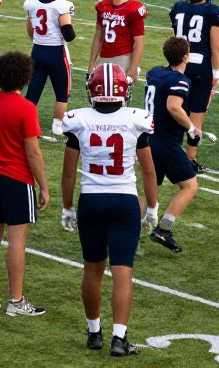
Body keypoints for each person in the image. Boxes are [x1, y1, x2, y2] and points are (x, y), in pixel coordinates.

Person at [61, 63, 158, 356]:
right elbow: (149, 172)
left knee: (92, 268)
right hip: (123, 200)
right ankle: (119, 338)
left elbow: (68, 173)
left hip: (91, 199)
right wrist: (152, 207)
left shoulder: (78, 120)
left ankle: (94, 333)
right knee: (122, 271)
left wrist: (67, 207)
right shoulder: (136, 119)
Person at [0, 51, 49, 317]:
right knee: (17, 240)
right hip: (17, 178)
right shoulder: (26, 108)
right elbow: (33, 152)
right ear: (25, 77)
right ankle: (16, 301)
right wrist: (43, 185)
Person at [144, 37, 200, 254]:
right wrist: (191, 128)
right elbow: (173, 107)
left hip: (149, 136)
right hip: (164, 139)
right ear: (186, 56)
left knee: (151, 190)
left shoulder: (155, 72)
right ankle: (164, 229)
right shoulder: (180, 81)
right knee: (189, 186)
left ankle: (124, 227)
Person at [169, 0, 219, 173]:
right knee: (197, 115)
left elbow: (174, 40)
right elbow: (215, 47)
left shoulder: (177, 8)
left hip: (178, 63)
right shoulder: (212, 11)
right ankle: (190, 159)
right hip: (201, 66)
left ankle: (171, 150)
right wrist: (216, 72)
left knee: (176, 107)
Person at [23, 0, 75, 139]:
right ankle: (57, 126)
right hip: (56, 53)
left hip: (37, 51)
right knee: (62, 92)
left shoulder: (31, 4)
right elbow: (69, 34)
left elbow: (31, 31)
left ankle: (25, 125)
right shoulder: (62, 5)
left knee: (33, 92)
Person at [88, 0, 147, 82]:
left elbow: (139, 41)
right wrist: (92, 63)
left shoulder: (133, 9)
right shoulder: (102, 6)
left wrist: (133, 67)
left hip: (123, 57)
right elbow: (98, 36)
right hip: (104, 57)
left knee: (119, 96)